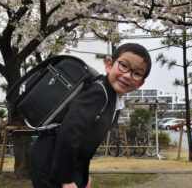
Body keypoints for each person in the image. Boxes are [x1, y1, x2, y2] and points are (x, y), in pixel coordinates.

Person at [28, 43, 152, 188]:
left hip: (62, 164)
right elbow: (69, 132)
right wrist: (67, 180)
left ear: (139, 84)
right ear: (109, 64)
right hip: (49, 163)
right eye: (124, 66)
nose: (127, 75)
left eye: (136, 73)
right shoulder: (99, 93)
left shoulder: (114, 101)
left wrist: (83, 176)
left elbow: (85, 145)